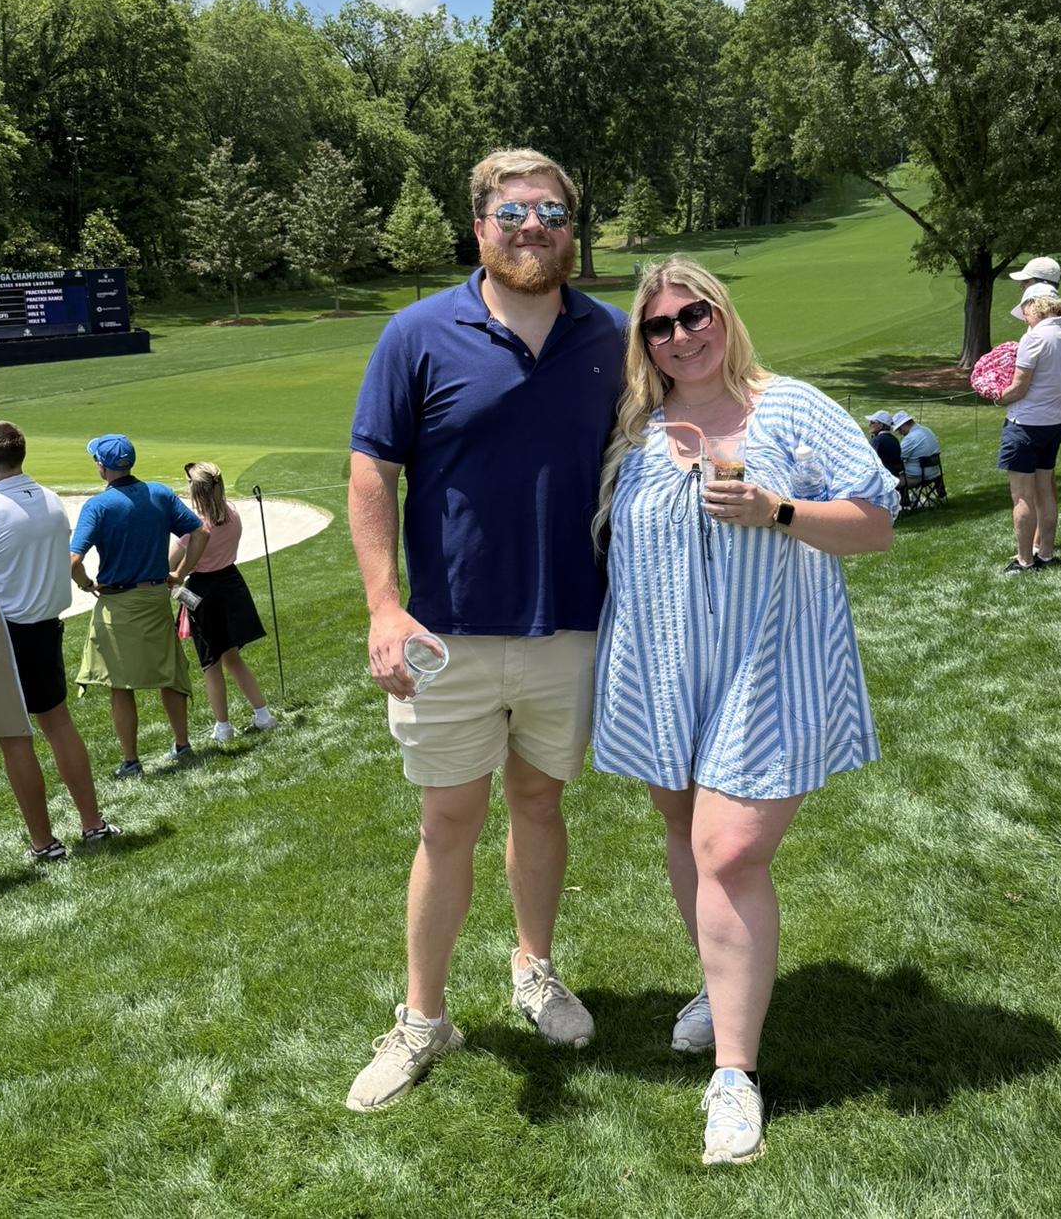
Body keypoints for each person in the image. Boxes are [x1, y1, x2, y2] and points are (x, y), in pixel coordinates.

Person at [591, 258, 899, 1165]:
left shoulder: (790, 407)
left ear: (724, 314)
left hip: (768, 665)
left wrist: (778, 509)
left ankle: (735, 1075)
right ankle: (718, 986)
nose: (682, 334)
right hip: (665, 669)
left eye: (696, 314)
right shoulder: (636, 429)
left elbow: (878, 521)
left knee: (728, 848)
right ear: (643, 345)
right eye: (659, 326)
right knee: (688, 833)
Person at [345, 147, 626, 1111]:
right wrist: (384, 603)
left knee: (541, 803)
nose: (533, 226)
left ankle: (534, 968)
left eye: (550, 210)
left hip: (571, 628)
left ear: (570, 227)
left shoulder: (612, 339)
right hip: (449, 634)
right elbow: (371, 470)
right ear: (481, 227)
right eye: (513, 214)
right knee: (447, 823)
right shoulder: (418, 333)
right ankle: (425, 1017)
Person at [0, 422, 119, 859]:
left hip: (2, 634)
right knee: (58, 725)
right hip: (45, 628)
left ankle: (43, 842)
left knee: (14, 738)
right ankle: (92, 824)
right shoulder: (51, 500)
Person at [69, 434, 209, 777]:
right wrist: (179, 572)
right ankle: (182, 745)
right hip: (155, 598)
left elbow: (73, 560)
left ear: (103, 468)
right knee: (169, 674)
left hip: (117, 604)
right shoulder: (159, 494)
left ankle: (131, 761)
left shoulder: (98, 507)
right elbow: (200, 532)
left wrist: (86, 584)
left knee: (121, 684)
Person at [170, 461, 275, 742]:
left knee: (210, 664)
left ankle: (223, 727)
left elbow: (169, 563)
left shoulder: (193, 529)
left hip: (203, 592)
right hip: (230, 584)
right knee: (232, 657)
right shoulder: (233, 514)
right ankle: (262, 713)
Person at [995, 284, 1061, 571]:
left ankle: (1024, 559)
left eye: (1025, 311)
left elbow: (1019, 388)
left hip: (1025, 422)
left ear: (1036, 305)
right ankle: (1045, 551)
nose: (1024, 318)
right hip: (1054, 419)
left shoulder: (1034, 338)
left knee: (1022, 494)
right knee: (1045, 488)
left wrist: (999, 397)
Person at [891, 411, 941, 483]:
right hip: (934, 472)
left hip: (919, 475)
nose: (899, 433)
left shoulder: (910, 438)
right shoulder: (926, 429)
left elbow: (898, 457)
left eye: (899, 429)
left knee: (889, 479)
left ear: (903, 425)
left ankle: (901, 494)